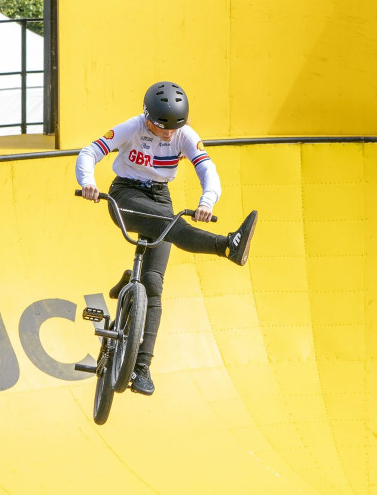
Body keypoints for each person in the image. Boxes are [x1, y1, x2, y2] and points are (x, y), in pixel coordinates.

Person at [75, 81, 258, 396]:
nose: (169, 134)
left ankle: (142, 367)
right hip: (127, 195)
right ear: (147, 116)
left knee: (154, 285)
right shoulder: (132, 127)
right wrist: (88, 182)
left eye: (176, 127)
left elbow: (208, 171)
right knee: (171, 228)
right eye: (162, 127)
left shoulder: (185, 135)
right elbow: (90, 151)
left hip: (161, 199)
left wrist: (206, 202)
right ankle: (227, 244)